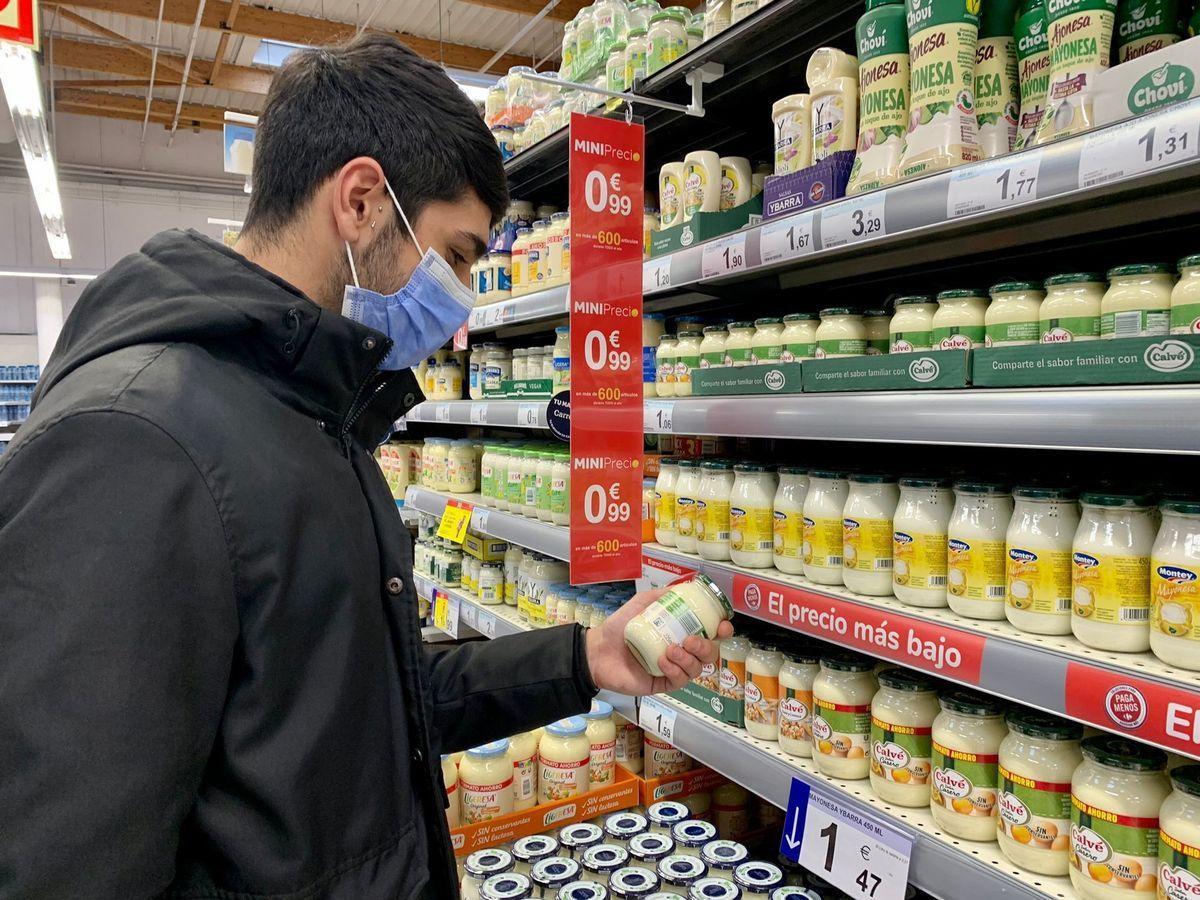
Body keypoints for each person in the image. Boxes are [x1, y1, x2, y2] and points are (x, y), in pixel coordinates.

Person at [0, 33, 730, 899]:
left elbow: (363, 699)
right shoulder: (136, 441)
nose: (460, 292)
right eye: (456, 254)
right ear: (359, 201)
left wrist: (585, 656)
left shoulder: (309, 410)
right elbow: (67, 858)